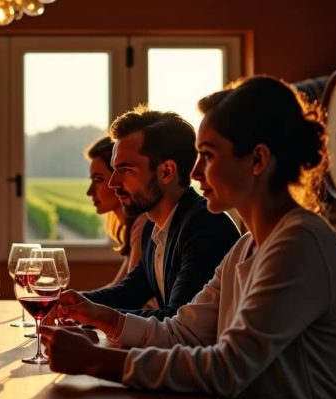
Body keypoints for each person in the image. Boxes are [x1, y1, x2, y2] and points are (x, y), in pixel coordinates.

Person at [41, 75, 336, 399]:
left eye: (207, 156)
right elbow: (182, 332)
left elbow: (226, 369)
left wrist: (97, 362)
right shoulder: (247, 246)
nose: (194, 173)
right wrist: (102, 318)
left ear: (257, 159)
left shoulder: (299, 242)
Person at [76, 106, 240, 319]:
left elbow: (178, 322)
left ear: (166, 172)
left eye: (125, 169)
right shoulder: (153, 227)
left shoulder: (205, 227)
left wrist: (94, 315)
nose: (113, 182)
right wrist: (68, 302)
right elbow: (127, 294)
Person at [85, 136, 149, 290]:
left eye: (98, 179)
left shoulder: (143, 224)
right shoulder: (136, 225)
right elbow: (116, 289)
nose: (89, 192)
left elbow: (130, 295)